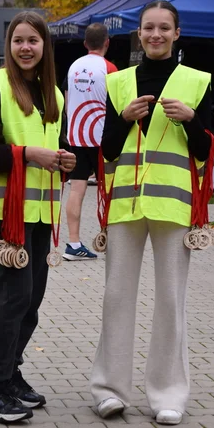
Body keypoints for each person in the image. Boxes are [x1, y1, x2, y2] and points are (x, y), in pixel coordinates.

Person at [91, 0, 212, 426]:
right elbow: (105, 150)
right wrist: (123, 119)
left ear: (177, 34)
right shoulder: (119, 82)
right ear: (138, 34)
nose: (156, 35)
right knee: (116, 295)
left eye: (164, 28)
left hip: (174, 204)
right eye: (148, 28)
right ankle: (109, 389)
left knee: (170, 300)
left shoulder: (198, 81)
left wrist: (191, 121)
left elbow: (208, 149)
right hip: (125, 203)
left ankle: (168, 394)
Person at [0, 11, 76, 424]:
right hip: (5, 212)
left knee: (31, 301)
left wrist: (65, 158)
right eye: (18, 40)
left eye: (33, 40)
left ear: (45, 46)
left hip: (40, 210)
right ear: (8, 46)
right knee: (14, 298)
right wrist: (29, 155)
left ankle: (10, 373)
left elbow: (56, 143)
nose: (26, 48)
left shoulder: (54, 94)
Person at [63, 23, 118, 260]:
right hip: (102, 138)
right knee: (110, 191)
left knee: (77, 189)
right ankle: (111, 241)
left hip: (76, 137)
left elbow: (66, 98)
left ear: (85, 44)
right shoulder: (110, 68)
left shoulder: (73, 66)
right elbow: (118, 104)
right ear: (107, 42)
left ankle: (73, 245)